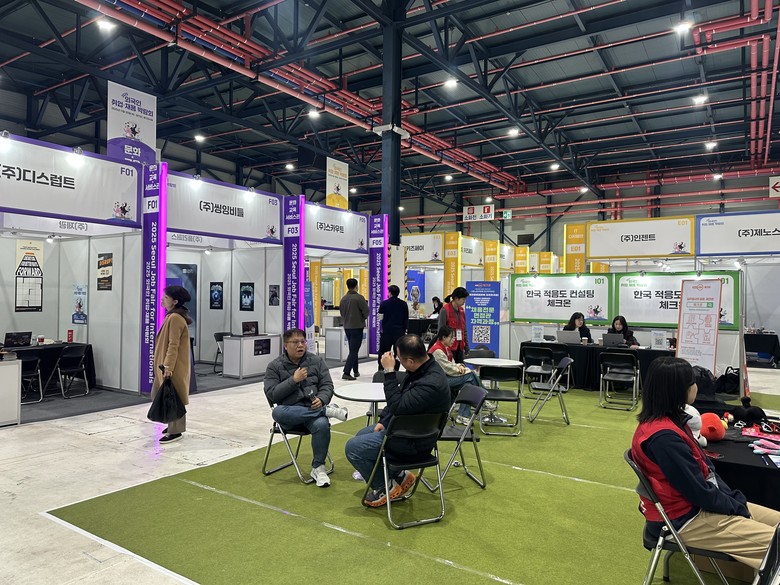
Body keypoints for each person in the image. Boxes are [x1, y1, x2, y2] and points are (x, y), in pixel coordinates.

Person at [631, 356, 780, 569]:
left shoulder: (670, 422)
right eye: (693, 382)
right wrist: (734, 507)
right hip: (684, 519)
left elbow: (705, 479)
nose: (696, 387)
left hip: (695, 508)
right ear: (679, 390)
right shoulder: (664, 437)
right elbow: (698, 491)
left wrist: (734, 501)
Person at [345, 334, 451, 507]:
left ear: (410, 361)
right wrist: (384, 421)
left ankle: (385, 486)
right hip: (406, 429)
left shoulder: (430, 384)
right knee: (362, 434)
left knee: (353, 448)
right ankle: (400, 476)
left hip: (414, 441)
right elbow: (401, 397)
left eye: (399, 359)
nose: (397, 361)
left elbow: (398, 406)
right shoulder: (422, 369)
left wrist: (389, 372)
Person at [264, 328, 348, 487]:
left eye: (303, 341)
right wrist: (293, 380)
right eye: (295, 342)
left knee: (322, 424)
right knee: (277, 412)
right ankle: (327, 411)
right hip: (290, 414)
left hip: (313, 411)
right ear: (285, 345)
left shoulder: (316, 361)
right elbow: (273, 395)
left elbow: (327, 385)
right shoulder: (274, 366)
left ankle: (318, 468)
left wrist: (322, 399)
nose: (300, 345)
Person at [152, 285, 192, 444]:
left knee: (174, 397)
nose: (162, 299)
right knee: (164, 395)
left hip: (173, 367)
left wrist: (168, 367)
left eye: (166, 297)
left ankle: (176, 430)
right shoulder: (172, 316)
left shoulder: (175, 318)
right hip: (167, 366)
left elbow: (173, 345)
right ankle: (172, 425)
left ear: (175, 301)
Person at [428, 325, 482, 424]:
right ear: (444, 337)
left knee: (468, 385)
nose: (454, 340)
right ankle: (483, 398)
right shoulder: (438, 350)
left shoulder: (446, 348)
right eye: (451, 337)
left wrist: (460, 366)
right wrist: (463, 370)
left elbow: (451, 364)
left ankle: (463, 415)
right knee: (470, 375)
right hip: (439, 381)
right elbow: (448, 369)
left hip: (446, 377)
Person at [339, 278, 369, 380]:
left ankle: (356, 371)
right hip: (357, 326)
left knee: (353, 349)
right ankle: (346, 372)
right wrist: (362, 318)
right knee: (354, 350)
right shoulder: (359, 298)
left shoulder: (343, 299)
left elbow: (342, 313)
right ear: (356, 286)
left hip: (347, 326)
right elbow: (366, 312)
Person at [377, 284, 409, 370]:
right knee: (398, 352)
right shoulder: (403, 304)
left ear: (390, 293)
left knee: (383, 351)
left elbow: (380, 317)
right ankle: (395, 369)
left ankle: (381, 369)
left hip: (387, 331)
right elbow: (406, 319)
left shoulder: (384, 303)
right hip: (399, 332)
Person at [437, 287, 470, 363]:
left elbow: (464, 329)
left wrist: (466, 345)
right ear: (456, 298)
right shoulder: (445, 310)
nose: (464, 301)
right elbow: (441, 331)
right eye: (463, 299)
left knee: (460, 367)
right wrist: (442, 348)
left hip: (460, 346)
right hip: (449, 347)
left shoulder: (462, 311)